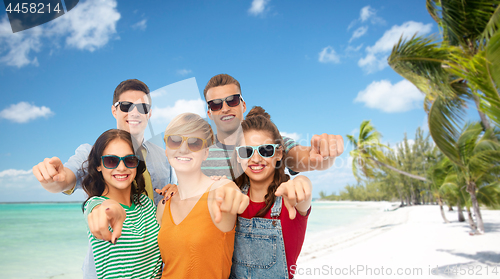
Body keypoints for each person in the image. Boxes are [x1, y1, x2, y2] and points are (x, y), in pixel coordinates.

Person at [32, 79, 175, 278]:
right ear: (114, 111)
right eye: (125, 106)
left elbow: (164, 208)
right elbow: (67, 181)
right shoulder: (92, 152)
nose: (134, 112)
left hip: (156, 265)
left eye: (142, 107)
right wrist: (54, 179)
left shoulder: (164, 157)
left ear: (149, 113)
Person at [156, 113, 249, 278]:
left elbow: (228, 191)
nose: (183, 148)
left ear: (206, 152)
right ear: (166, 149)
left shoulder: (218, 190)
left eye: (194, 143)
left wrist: (232, 192)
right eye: (175, 140)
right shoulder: (165, 204)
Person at [201, 74, 344, 179]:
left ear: (243, 105)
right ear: (209, 113)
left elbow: (303, 158)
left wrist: (323, 155)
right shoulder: (199, 153)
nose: (225, 109)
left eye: (232, 101)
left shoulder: (271, 143)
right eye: (216, 104)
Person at [230, 106, 312, 279]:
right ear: (238, 156)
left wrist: (303, 181)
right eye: (247, 151)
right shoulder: (233, 197)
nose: (256, 159)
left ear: (279, 153)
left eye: (265, 150)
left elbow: (303, 193)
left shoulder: (290, 200)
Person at [82, 129, 162, 279]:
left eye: (130, 160)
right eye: (111, 161)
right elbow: (102, 210)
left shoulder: (147, 204)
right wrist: (110, 210)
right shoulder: (96, 204)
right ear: (98, 165)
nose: (121, 167)